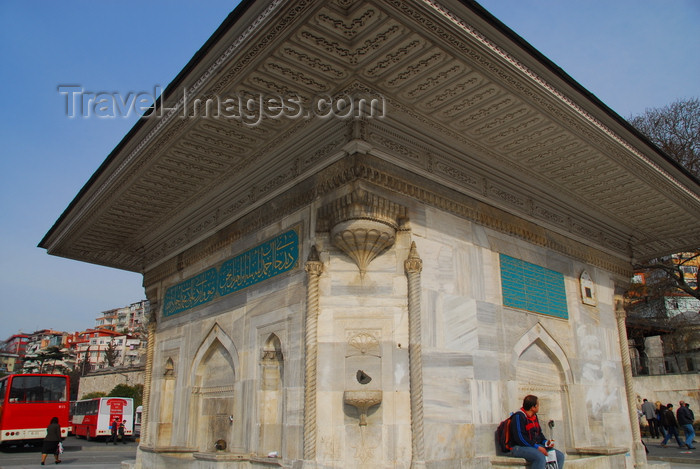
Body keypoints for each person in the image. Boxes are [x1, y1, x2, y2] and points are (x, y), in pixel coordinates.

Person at [509, 395, 565, 469]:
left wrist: (546, 443)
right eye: (538, 405)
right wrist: (537, 447)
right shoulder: (518, 417)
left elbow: (539, 434)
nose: (539, 407)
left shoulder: (534, 416)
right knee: (540, 457)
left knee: (559, 456)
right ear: (533, 408)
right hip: (519, 447)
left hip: (534, 446)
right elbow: (520, 438)